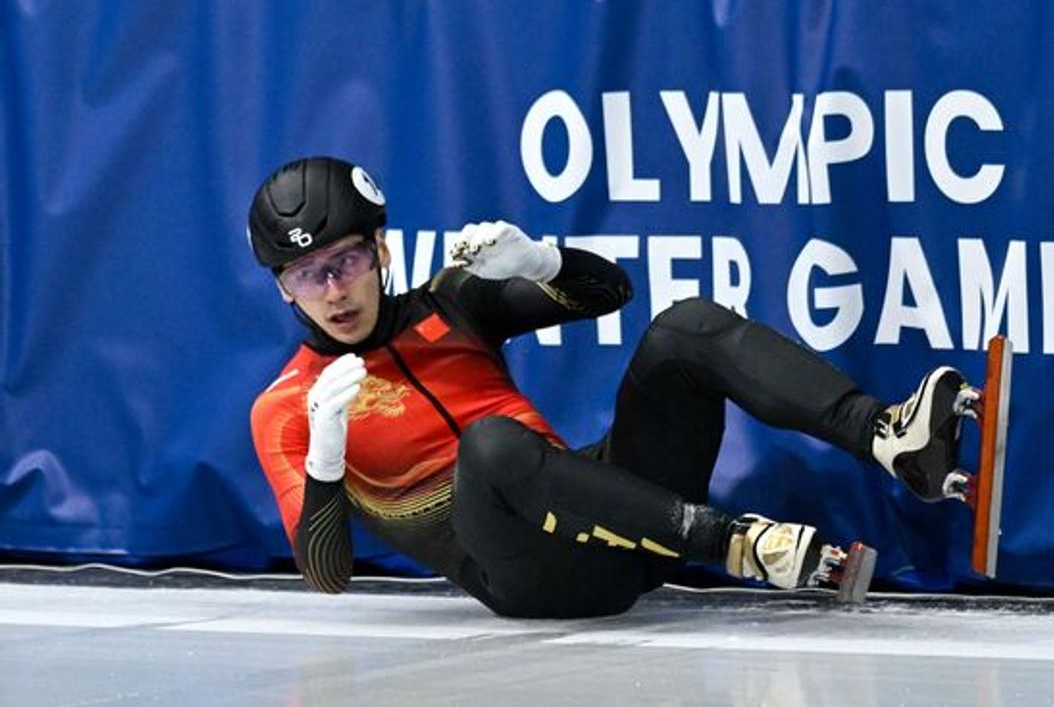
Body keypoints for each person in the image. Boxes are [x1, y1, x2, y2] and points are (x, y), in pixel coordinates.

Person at [248, 156, 976, 618]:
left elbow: (611, 293)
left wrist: (541, 262)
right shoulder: (287, 409)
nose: (333, 291)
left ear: (379, 250)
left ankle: (889, 436)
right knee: (491, 446)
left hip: (620, 519)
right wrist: (326, 459)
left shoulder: (452, 302)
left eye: (345, 262)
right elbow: (327, 575)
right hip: (535, 577)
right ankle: (738, 543)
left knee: (685, 328)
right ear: (283, 289)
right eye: (307, 276)